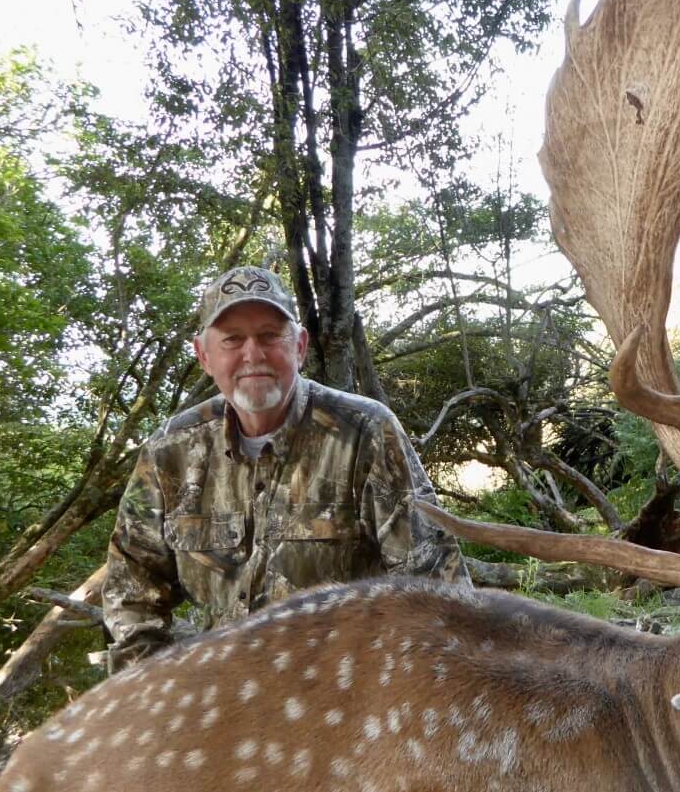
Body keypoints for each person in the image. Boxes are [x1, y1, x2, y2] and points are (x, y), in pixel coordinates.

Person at [103, 264, 466, 669]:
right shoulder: (169, 450)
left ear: (299, 346)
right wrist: (154, 693)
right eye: (232, 340)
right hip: (213, 693)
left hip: (344, 694)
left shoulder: (366, 432)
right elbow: (131, 592)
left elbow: (438, 592)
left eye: (269, 336)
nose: (252, 354)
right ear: (203, 355)